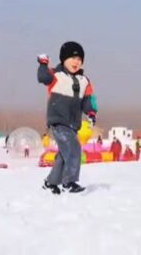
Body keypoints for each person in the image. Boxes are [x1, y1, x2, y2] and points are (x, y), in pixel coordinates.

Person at [37, 41, 98, 194]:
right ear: (63, 59)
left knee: (64, 155)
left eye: (79, 59)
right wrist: (43, 64)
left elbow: (88, 100)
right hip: (58, 121)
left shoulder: (85, 81)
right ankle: (69, 182)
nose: (76, 62)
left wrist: (91, 112)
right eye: (72, 58)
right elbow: (42, 77)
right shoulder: (56, 75)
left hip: (73, 124)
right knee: (74, 148)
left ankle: (50, 183)